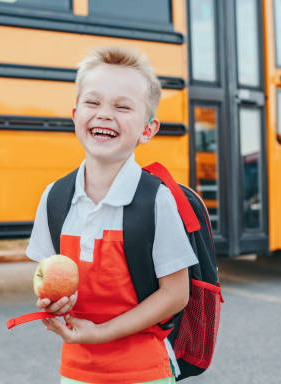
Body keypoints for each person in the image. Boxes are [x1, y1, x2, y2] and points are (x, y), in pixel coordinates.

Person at [26, 46, 198, 384]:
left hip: (144, 372)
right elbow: (46, 274)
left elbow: (177, 294)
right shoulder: (55, 198)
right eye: (93, 102)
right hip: (77, 371)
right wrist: (54, 301)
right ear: (76, 115)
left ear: (147, 129)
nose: (105, 114)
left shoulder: (157, 200)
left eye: (122, 106)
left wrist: (102, 333)